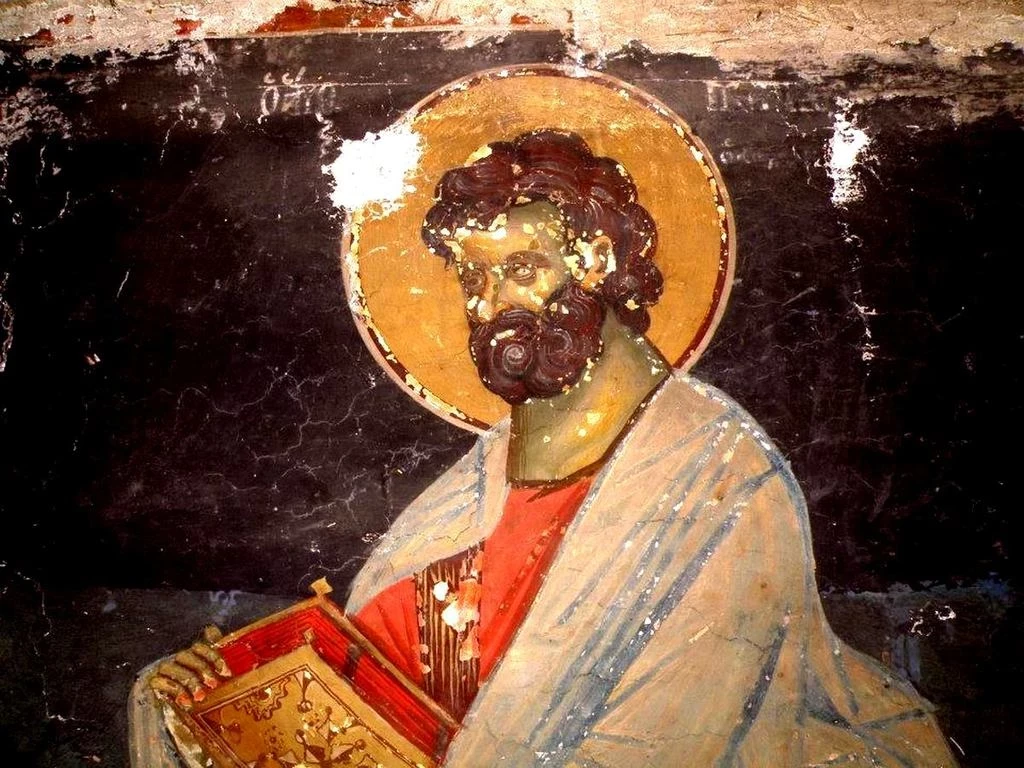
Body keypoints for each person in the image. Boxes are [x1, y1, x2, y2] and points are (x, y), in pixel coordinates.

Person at [131, 130, 957, 766]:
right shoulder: (469, 492)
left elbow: (670, 742)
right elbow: (362, 692)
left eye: (520, 268)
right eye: (473, 279)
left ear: (597, 260)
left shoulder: (719, 477)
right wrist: (225, 690)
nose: (492, 306)